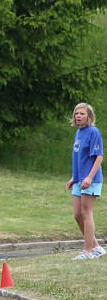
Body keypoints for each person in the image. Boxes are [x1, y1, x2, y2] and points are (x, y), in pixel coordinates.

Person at [65, 102, 105, 260]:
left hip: (91, 179)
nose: (78, 116)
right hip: (80, 180)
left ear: (89, 116)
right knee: (77, 215)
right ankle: (96, 247)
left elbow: (99, 157)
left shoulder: (93, 132)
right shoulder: (79, 132)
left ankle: (87, 252)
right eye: (76, 114)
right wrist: (74, 178)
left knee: (86, 213)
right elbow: (80, 159)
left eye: (82, 114)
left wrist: (89, 177)